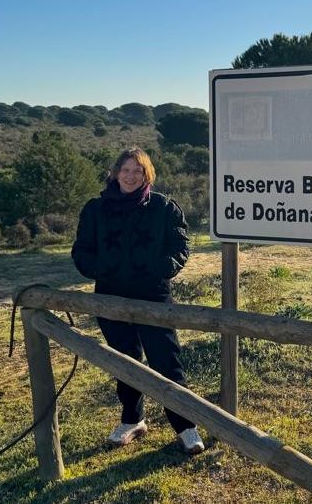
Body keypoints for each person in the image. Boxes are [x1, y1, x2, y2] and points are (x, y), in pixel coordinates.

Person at [71, 147, 204, 454]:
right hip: (109, 296)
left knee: (165, 360)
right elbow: (82, 250)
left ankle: (185, 426)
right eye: (126, 170)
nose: (131, 176)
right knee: (123, 361)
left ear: (147, 175)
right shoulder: (95, 209)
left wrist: (159, 270)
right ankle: (133, 419)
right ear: (116, 173)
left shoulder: (163, 207)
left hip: (153, 295)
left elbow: (180, 246)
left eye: (138, 171)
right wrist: (102, 270)